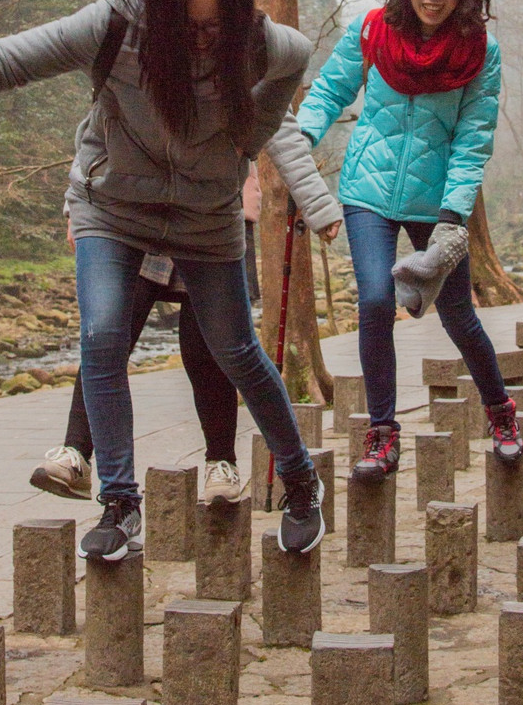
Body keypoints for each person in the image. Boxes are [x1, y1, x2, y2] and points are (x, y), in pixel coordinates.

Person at [0, 0, 328, 560]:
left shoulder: (264, 46)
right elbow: (8, 58)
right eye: (189, 26)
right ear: (163, 12)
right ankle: (119, 503)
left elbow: (294, 66)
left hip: (207, 216)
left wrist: (243, 147)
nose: (203, 41)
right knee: (103, 335)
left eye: (215, 26)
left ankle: (301, 481)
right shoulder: (114, 28)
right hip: (111, 206)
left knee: (236, 349)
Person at [298, 0, 523, 479]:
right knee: (375, 302)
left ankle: (501, 414)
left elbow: (473, 140)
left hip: (437, 202)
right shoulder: (374, 30)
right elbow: (329, 90)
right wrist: (298, 145)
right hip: (367, 193)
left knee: (458, 313)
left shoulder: (479, 52)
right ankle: (382, 435)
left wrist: (454, 215)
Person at [33, 124, 341, 507]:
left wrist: (318, 204)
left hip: (215, 213)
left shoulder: (243, 63)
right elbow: (101, 124)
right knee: (108, 334)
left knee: (209, 348)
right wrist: (77, 208)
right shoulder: (132, 63)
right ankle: (76, 452)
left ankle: (221, 462)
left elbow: (280, 126)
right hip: (136, 209)